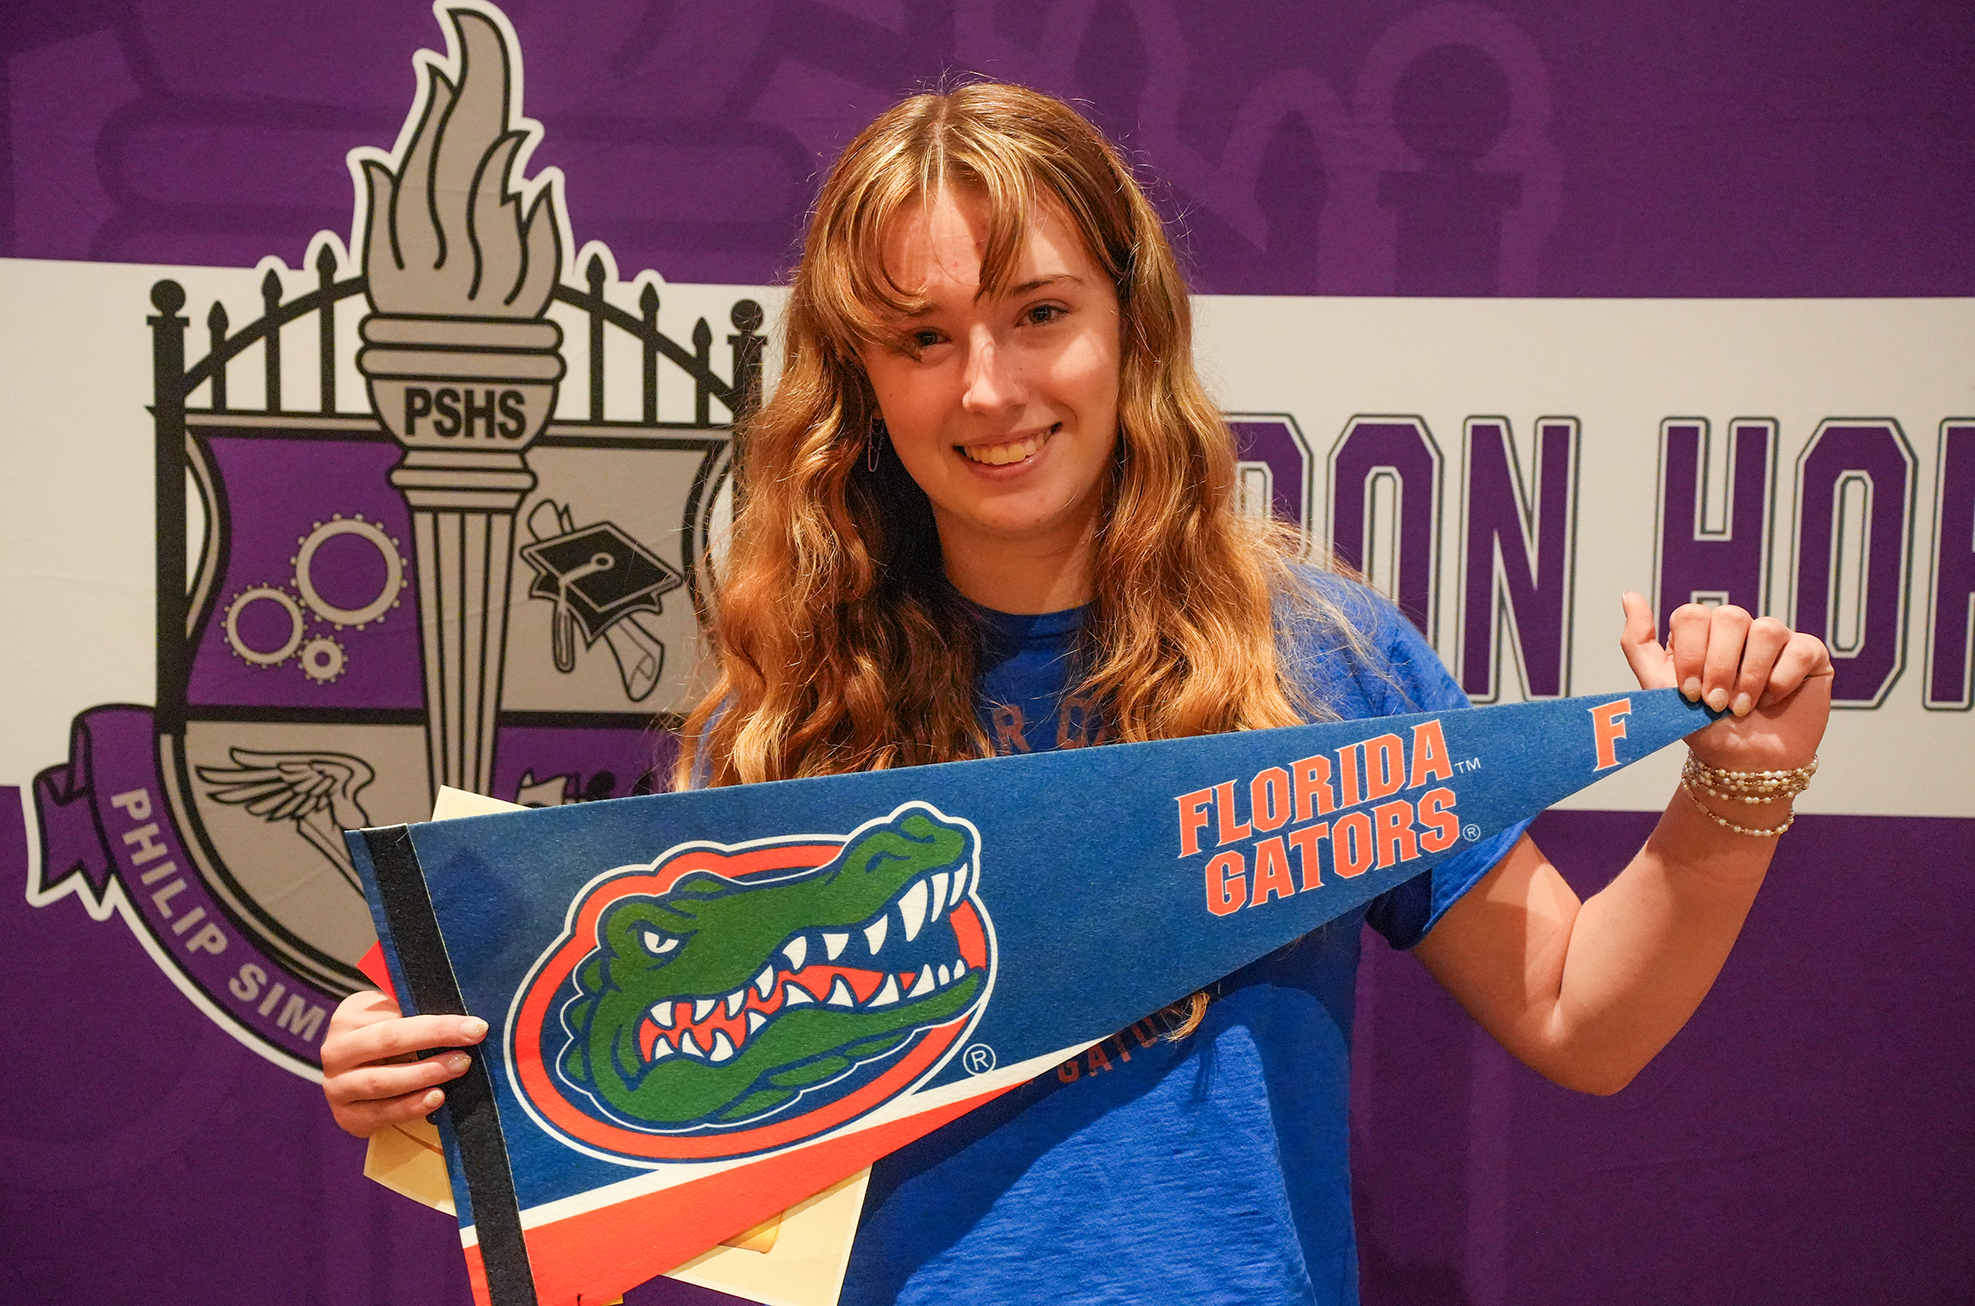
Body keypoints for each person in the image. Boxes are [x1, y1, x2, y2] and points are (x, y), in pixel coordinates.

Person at [322, 83, 1832, 1304]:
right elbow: (655, 1112)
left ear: (1129, 326)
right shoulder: (785, 709)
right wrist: (432, 1086)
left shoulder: (1322, 656)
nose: (987, 389)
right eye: (922, 339)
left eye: (1039, 313)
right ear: (861, 381)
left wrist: (1739, 786)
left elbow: (1582, 1015)